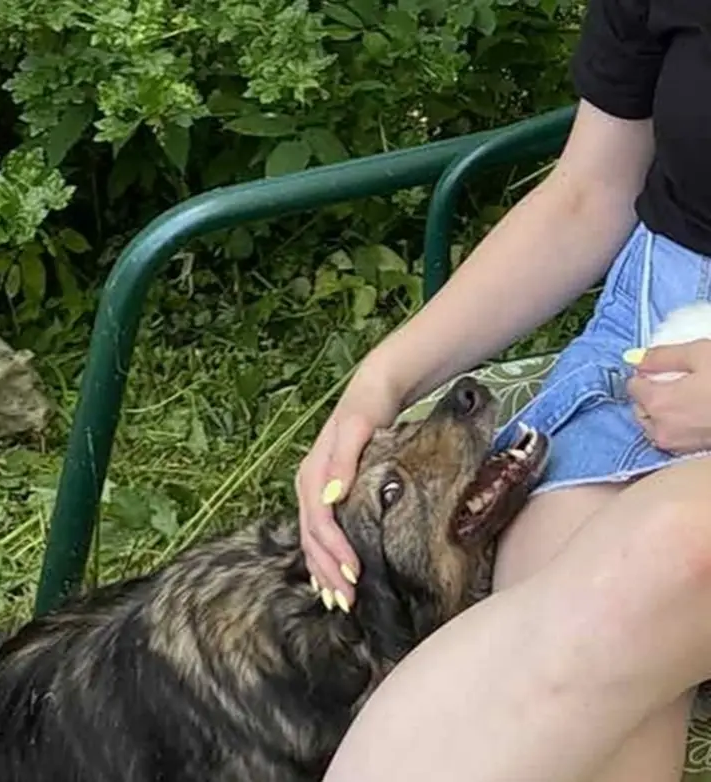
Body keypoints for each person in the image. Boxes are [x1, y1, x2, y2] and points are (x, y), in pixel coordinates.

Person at [295, 1, 711, 780]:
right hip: (655, 340)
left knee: (668, 560)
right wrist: (380, 382)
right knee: (565, 574)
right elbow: (587, 193)